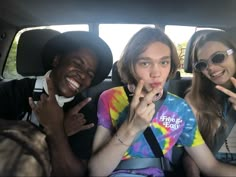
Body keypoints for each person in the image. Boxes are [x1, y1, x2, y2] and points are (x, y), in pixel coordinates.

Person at [88, 27, 236, 177]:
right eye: (145, 63)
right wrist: (130, 129)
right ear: (130, 65)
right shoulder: (111, 98)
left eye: (164, 62)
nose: (156, 73)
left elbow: (210, 166)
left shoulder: (180, 108)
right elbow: (95, 171)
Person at [0, 30, 113, 176]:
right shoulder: (12, 91)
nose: (83, 74)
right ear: (56, 60)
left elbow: (73, 174)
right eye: (77, 63)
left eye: (90, 73)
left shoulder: (84, 113)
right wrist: (57, 130)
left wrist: (56, 131)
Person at [184, 30, 236, 177]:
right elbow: (196, 155)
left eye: (218, 57)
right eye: (202, 64)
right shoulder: (194, 100)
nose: (211, 68)